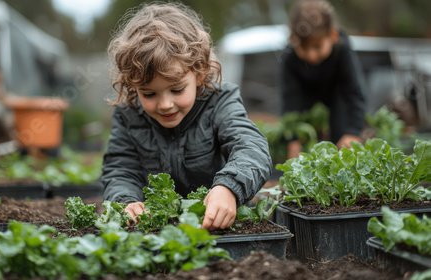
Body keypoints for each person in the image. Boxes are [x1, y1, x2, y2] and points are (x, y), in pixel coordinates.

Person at [100, 2, 272, 231]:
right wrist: (126, 201)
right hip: (157, 228)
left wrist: (229, 188)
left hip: (217, 225)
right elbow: (120, 169)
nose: (165, 105)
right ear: (133, 86)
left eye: (177, 90)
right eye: (149, 93)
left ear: (199, 73)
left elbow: (251, 147)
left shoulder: (220, 101)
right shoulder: (128, 113)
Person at [279, 0, 367, 159]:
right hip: (306, 98)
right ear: (293, 39)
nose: (311, 56)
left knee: (341, 133)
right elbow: (290, 100)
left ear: (333, 35)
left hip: (336, 95)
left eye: (317, 47)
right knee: (304, 139)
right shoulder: (289, 58)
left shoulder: (343, 50)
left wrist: (352, 132)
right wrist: (293, 140)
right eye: (303, 48)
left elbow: (354, 93)